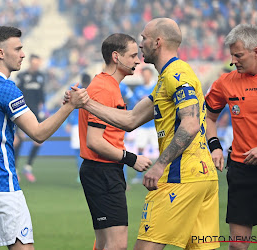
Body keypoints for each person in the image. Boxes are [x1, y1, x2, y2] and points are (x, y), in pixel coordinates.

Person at [68, 18, 219, 250]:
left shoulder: (176, 74)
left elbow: (190, 124)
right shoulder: (166, 79)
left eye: (144, 38)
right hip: (203, 177)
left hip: (180, 177)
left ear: (157, 42)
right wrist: (86, 103)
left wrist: (159, 165)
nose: (140, 46)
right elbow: (130, 120)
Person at [0, 26, 88, 250]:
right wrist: (70, 107)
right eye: (17, 49)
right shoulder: (6, 88)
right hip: (0, 184)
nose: (23, 54)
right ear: (0, 53)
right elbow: (38, 133)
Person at [78, 33, 152, 250]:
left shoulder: (108, 86)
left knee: (103, 244)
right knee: (117, 245)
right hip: (102, 171)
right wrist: (132, 159)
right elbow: (94, 141)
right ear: (116, 57)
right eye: (132, 56)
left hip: (104, 171)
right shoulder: (104, 88)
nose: (137, 61)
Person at [205, 23, 257, 250]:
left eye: (238, 55)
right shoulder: (225, 82)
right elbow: (208, 117)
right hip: (241, 169)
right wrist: (214, 146)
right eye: (232, 56)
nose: (233, 61)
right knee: (237, 245)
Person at [13, 54, 46, 182]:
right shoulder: (22, 76)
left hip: (36, 113)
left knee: (39, 141)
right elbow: (16, 94)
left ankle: (28, 167)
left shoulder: (41, 77)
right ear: (31, 63)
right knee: (18, 140)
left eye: (38, 63)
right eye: (35, 63)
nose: (36, 65)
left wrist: (44, 109)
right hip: (23, 113)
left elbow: (42, 96)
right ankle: (14, 168)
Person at [130, 67, 159, 184]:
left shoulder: (156, 87)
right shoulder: (138, 89)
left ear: (151, 75)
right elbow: (136, 106)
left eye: (147, 74)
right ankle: (139, 175)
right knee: (140, 148)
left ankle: (160, 173)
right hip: (142, 125)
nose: (145, 77)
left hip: (155, 125)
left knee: (160, 149)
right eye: (143, 75)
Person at [65, 73, 91, 183]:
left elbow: (68, 105)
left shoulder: (77, 90)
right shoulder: (90, 89)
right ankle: (83, 174)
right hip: (85, 123)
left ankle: (83, 173)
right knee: (81, 149)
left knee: (80, 150)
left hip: (80, 124)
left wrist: (68, 122)